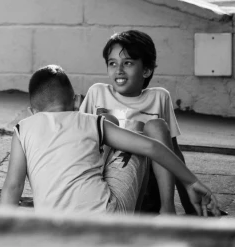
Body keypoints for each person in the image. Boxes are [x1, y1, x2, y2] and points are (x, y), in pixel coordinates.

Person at [0, 65, 220, 216]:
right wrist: (191, 182)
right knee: (137, 132)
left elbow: (12, 187)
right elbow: (152, 147)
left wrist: (1, 234)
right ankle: (143, 217)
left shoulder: (23, 129)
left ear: (31, 111)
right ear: (77, 101)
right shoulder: (90, 121)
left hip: (52, 225)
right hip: (107, 216)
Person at [79, 30, 198, 215]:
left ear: (146, 70)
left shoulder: (159, 97)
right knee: (104, 124)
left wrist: (191, 205)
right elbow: (79, 143)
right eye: (112, 63)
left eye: (127, 63)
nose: (118, 70)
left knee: (156, 126)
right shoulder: (97, 93)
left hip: (146, 186)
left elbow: (173, 153)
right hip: (102, 182)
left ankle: (167, 210)